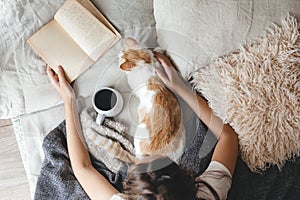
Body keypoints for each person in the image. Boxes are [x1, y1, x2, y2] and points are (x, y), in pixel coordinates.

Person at [47, 51, 239, 200]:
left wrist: (68, 101)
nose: (144, 153)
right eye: (152, 156)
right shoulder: (206, 194)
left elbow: (82, 169)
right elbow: (228, 137)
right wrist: (181, 87)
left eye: (143, 158)